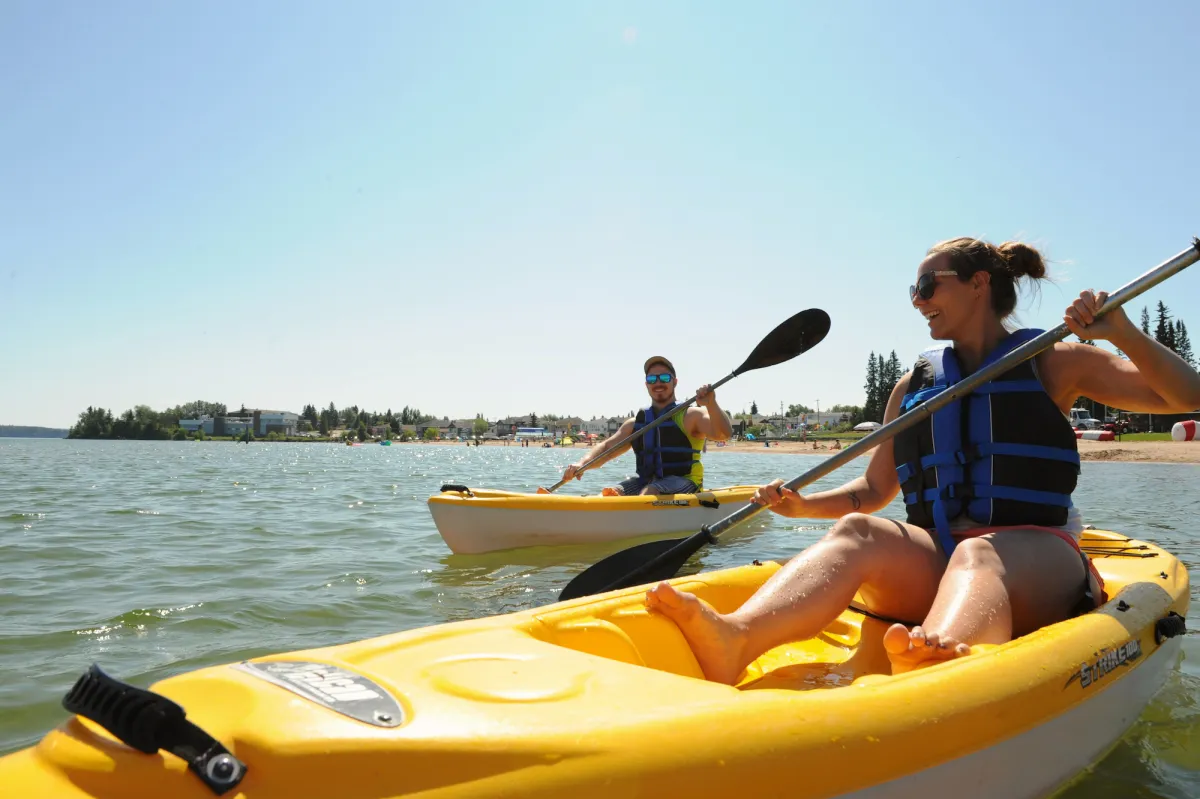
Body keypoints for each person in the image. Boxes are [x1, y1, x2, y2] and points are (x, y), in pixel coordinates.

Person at [645, 237, 1200, 683]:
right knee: (860, 530)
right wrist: (802, 506)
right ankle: (735, 639)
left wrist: (1123, 332)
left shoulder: (1054, 361)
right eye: (914, 288)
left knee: (980, 554)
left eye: (927, 284)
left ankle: (930, 670)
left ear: (979, 285)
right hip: (943, 556)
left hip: (1038, 556)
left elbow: (1186, 397)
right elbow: (873, 491)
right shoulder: (914, 386)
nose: (917, 299)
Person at [555, 356, 733, 496]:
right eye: (652, 379)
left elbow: (724, 434)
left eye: (664, 377)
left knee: (651, 491)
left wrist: (711, 404)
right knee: (611, 493)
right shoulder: (635, 424)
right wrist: (581, 464)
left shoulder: (691, 415)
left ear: (675, 382)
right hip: (647, 482)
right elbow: (607, 447)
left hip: (685, 482)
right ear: (646, 383)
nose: (658, 383)